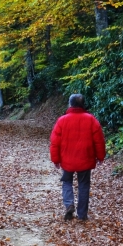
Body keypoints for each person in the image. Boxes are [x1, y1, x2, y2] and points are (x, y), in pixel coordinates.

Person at [50, 93, 106, 221]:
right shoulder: (91, 119)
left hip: (67, 160)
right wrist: (100, 156)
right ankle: (82, 215)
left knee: (67, 182)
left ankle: (69, 204)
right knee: (84, 185)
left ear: (70, 104)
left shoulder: (62, 120)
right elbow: (99, 141)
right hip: (85, 159)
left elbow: (55, 142)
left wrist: (56, 159)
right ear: (83, 104)